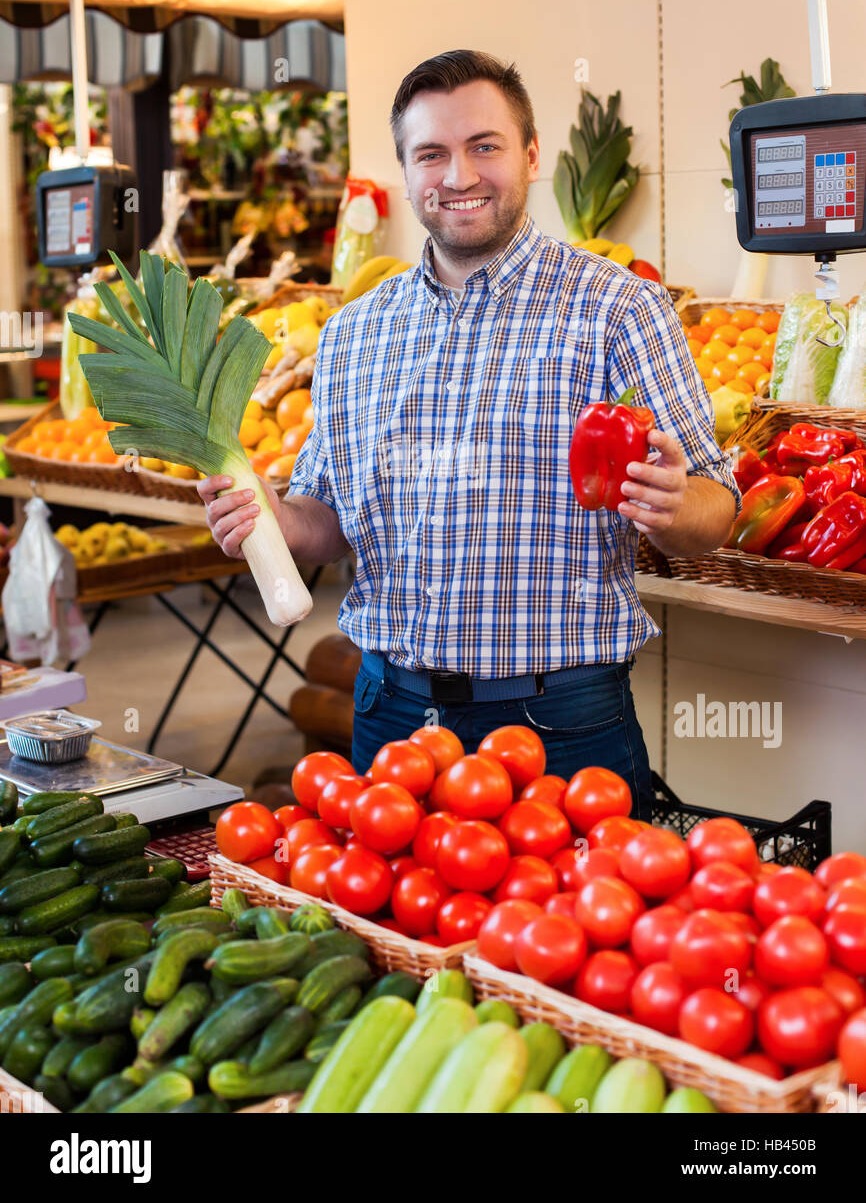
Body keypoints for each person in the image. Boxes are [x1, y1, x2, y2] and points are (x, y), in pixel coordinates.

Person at [199, 49, 739, 819]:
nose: (458, 176)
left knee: (566, 939)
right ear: (406, 169)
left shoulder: (620, 311)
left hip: (562, 724)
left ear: (529, 155)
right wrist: (270, 521)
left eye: (484, 146)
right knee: (395, 941)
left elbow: (715, 517)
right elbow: (326, 522)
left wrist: (673, 504)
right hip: (390, 717)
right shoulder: (356, 333)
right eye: (432, 154)